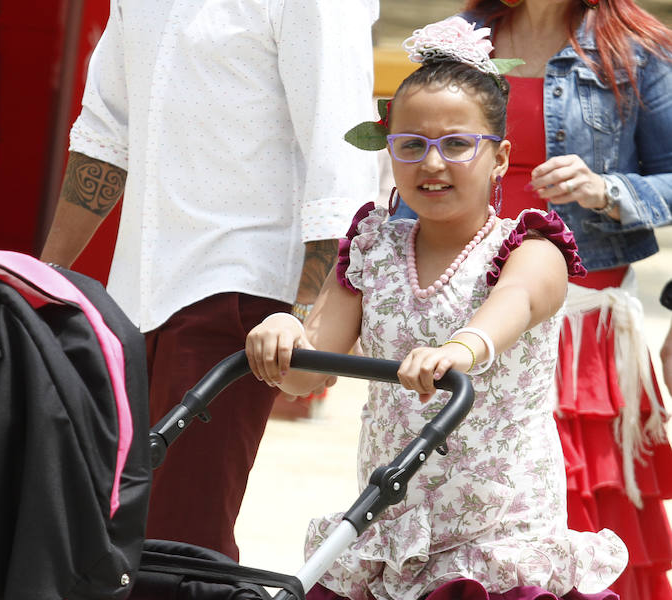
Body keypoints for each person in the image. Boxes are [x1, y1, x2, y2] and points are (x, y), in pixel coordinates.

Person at [246, 18, 627, 599]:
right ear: (388, 149)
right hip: (391, 529)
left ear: (499, 158)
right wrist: (284, 330)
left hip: (498, 540)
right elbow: (306, 372)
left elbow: (515, 303)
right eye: (412, 145)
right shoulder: (373, 248)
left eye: (456, 144)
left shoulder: (531, 248)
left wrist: (458, 349)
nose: (431, 163)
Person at [39, 1, 380, 561]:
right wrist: (44, 278)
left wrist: (303, 318)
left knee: (180, 541)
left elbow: (338, 159)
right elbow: (105, 133)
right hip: (130, 301)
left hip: (242, 298)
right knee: (108, 535)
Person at [388, 2, 672, 597]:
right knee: (460, 518)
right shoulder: (460, 38)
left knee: (577, 519)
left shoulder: (637, 46)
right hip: (461, 311)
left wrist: (605, 189)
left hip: (581, 323)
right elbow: (415, 155)